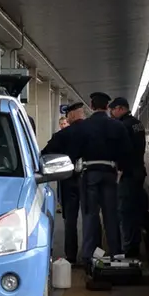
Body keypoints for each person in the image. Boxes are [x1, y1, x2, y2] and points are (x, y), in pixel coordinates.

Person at [68, 92, 133, 270]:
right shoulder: (117, 126)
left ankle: (90, 257)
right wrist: (120, 170)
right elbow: (127, 151)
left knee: (90, 215)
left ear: (91, 105)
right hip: (110, 173)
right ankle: (117, 255)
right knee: (112, 216)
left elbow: (74, 151)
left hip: (89, 174)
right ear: (107, 107)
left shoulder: (84, 126)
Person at [41, 102, 98, 264]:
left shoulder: (64, 134)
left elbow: (45, 154)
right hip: (90, 179)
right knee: (91, 216)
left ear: (72, 115)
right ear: (82, 114)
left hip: (68, 180)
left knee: (70, 220)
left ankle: (71, 256)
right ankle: (92, 255)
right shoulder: (93, 131)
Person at [109, 97, 147, 258]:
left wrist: (120, 169)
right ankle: (134, 245)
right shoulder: (138, 123)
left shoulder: (123, 126)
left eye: (112, 110)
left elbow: (124, 151)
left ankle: (129, 249)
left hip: (128, 174)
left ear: (119, 109)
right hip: (139, 172)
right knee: (135, 211)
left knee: (125, 212)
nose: (111, 114)